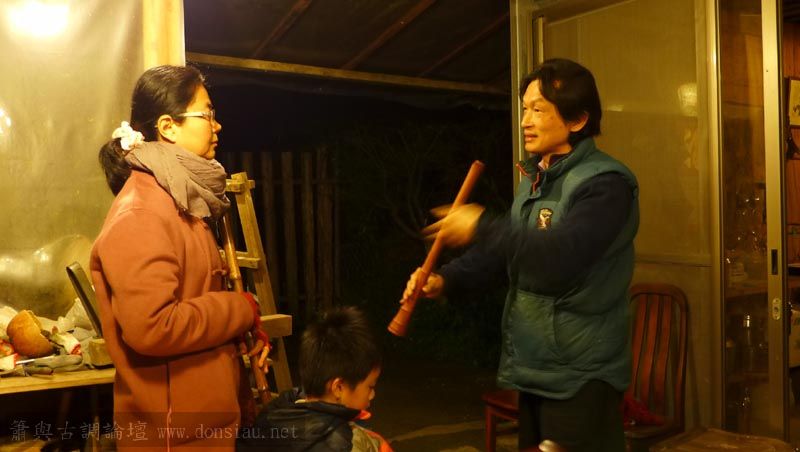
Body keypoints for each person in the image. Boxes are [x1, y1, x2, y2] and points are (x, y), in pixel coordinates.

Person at [402, 58, 639, 452]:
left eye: (539, 110)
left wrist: (481, 225)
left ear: (578, 119)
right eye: (525, 108)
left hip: (582, 373)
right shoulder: (535, 180)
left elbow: (560, 256)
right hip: (536, 365)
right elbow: (506, 256)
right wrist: (447, 279)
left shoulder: (605, 184)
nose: (526, 121)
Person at [91, 65, 268, 450]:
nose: (217, 125)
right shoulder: (141, 213)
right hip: (173, 436)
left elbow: (193, 300)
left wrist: (234, 337)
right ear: (168, 127)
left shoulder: (179, 200)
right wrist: (240, 308)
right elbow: (154, 326)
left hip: (201, 425)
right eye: (207, 113)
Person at [237, 306, 391, 452]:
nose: (372, 395)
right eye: (370, 387)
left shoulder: (274, 412)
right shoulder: (350, 444)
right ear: (338, 387)